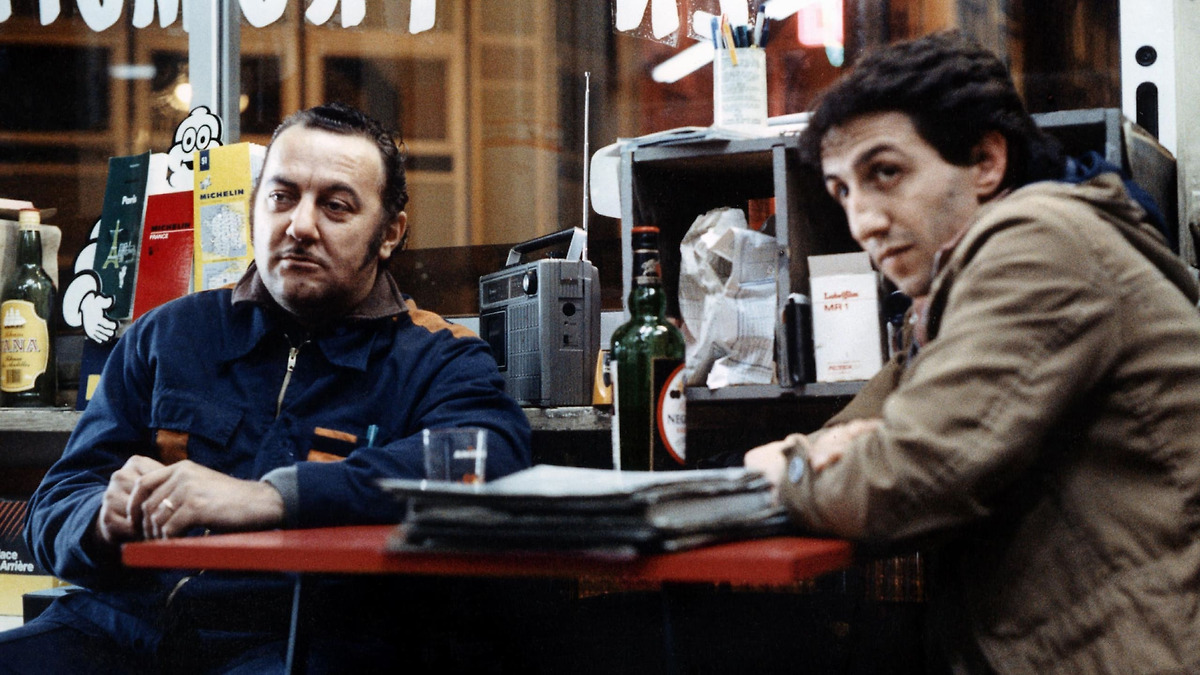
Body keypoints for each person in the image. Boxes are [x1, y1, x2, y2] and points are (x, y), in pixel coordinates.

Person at [0, 102, 532, 673]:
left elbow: (489, 458)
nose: (300, 226)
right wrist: (102, 519)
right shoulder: (167, 334)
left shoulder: (437, 356)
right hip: (119, 626)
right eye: (281, 197)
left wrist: (274, 497)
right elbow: (55, 505)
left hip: (297, 639)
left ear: (389, 234)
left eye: (335, 206)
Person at [745, 31, 1200, 673]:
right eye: (843, 191)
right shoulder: (944, 302)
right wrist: (820, 457)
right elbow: (855, 440)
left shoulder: (1040, 245)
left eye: (885, 173)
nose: (864, 222)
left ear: (986, 161)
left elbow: (904, 476)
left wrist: (784, 470)